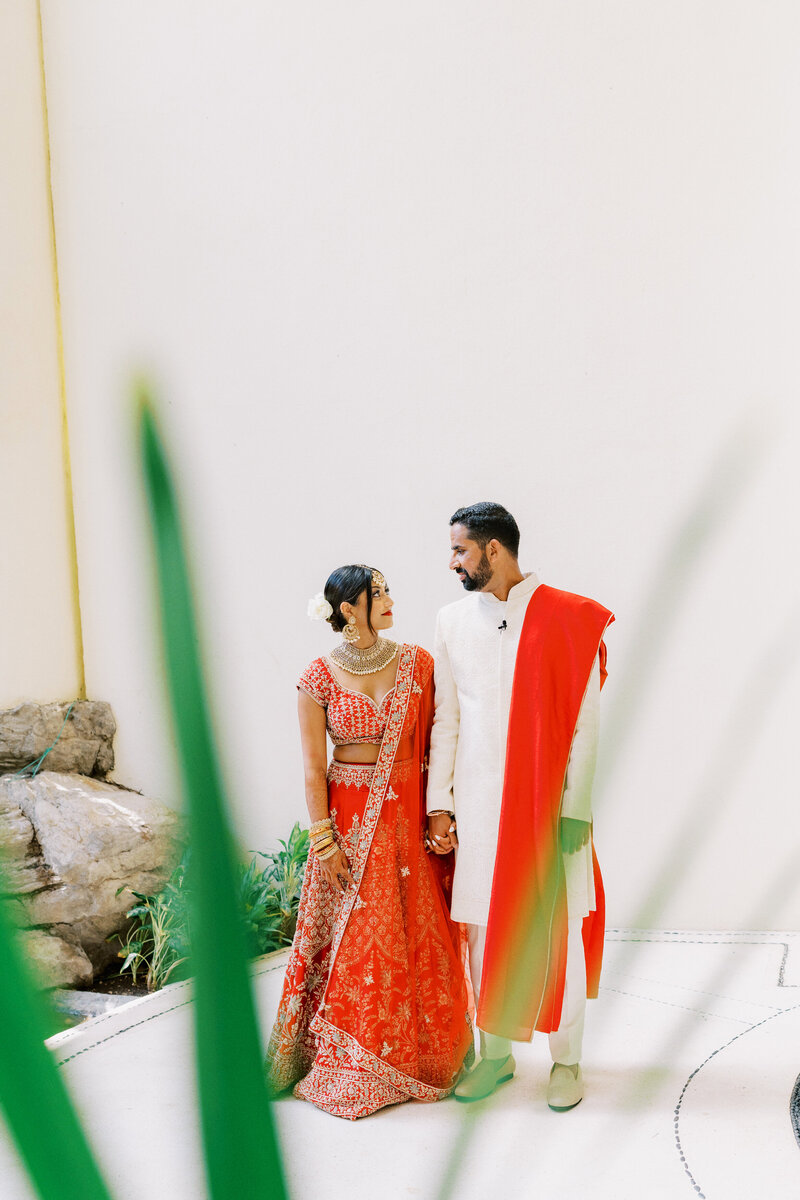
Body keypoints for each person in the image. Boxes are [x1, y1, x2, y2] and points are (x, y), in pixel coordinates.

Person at [266, 564, 472, 1120]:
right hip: (351, 820)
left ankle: (425, 1054)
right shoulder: (318, 678)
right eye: (374, 593)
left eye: (386, 590)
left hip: (409, 813)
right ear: (347, 609)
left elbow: (445, 736)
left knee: (417, 927)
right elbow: (313, 769)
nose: (387, 599)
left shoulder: (417, 665)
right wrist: (325, 841)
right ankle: (355, 1057)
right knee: (356, 934)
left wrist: (442, 811)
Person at [426, 503, 613, 1111]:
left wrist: (575, 811)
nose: (452, 562)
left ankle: (568, 1061)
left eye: (461, 551)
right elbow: (446, 719)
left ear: (495, 551)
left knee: (558, 929)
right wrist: (440, 805)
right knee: (486, 934)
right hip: (481, 811)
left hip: (552, 813)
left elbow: (585, 727)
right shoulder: (452, 622)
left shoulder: (569, 618)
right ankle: (496, 1055)